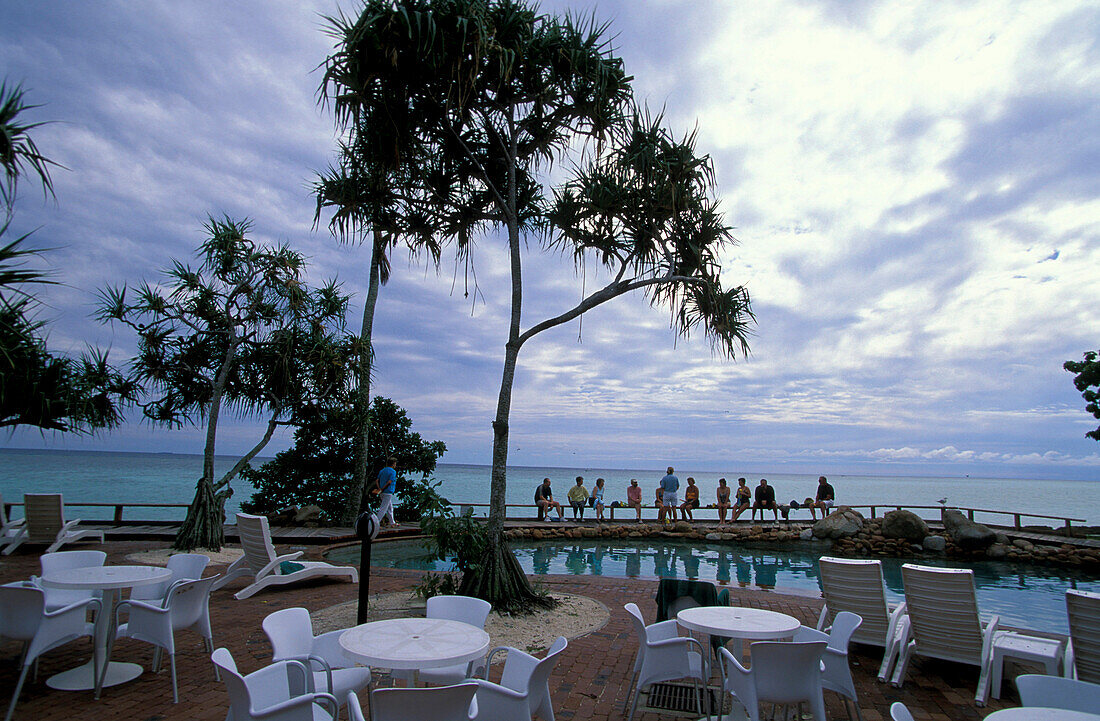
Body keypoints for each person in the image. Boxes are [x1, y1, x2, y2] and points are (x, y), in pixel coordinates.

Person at [368, 456, 398, 527]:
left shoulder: (382, 470)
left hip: (382, 492)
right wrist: (383, 488)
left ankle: (392, 522)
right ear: (393, 464)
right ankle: (375, 523)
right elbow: (389, 482)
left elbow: (377, 480)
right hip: (388, 492)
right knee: (383, 508)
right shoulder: (393, 472)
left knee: (390, 507)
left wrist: (379, 488)